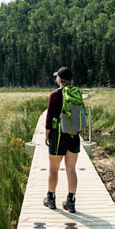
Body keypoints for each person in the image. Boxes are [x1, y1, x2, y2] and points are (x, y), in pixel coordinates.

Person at [43, 66, 79, 213]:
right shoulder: (76, 94)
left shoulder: (55, 95)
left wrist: (46, 135)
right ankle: (71, 202)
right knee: (71, 169)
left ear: (59, 79)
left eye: (57, 76)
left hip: (58, 135)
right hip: (74, 135)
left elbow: (49, 117)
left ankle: (50, 199)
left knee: (53, 169)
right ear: (70, 80)